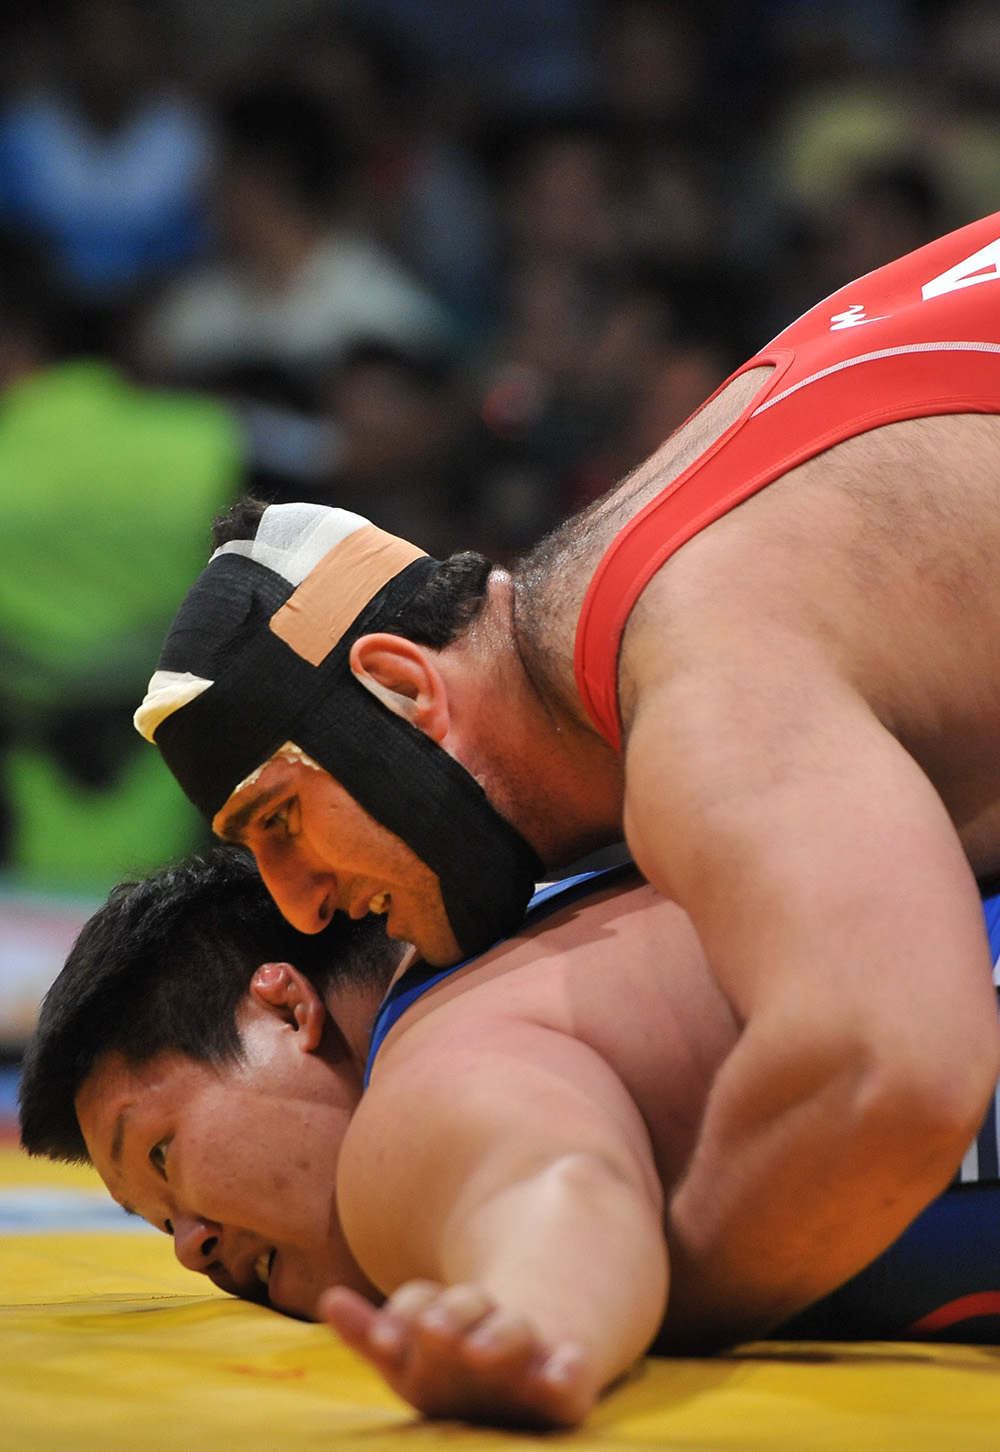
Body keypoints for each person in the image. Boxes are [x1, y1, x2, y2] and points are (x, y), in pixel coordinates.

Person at [134, 209, 1000, 1349]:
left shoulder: (691, 667)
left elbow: (888, 1075)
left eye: (283, 819)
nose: (297, 908)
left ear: (402, 685)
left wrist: (610, 1304)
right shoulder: (689, 541)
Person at [18, 849, 1000, 1429]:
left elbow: (559, 1184)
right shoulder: (583, 884)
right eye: (162, 1226)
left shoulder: (435, 1056)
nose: (192, 1251)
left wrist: (531, 1317)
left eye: (163, 1155)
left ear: (283, 1010)